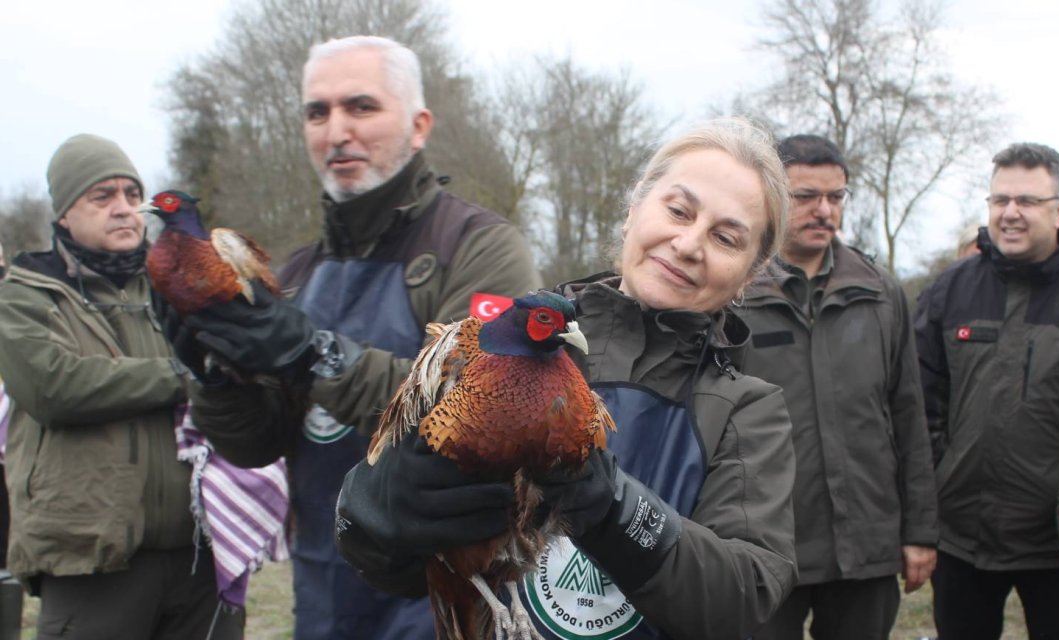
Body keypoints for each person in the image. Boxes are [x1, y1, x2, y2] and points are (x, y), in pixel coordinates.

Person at [329, 117, 798, 639]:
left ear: (750, 274)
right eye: (678, 210)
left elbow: (747, 599)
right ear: (633, 209)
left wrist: (614, 509)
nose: (688, 244)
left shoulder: (746, 409)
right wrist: (380, 507)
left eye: (726, 237)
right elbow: (381, 561)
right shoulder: (487, 347)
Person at [168, 35, 543, 640]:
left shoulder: (479, 247)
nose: (336, 129)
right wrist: (213, 374)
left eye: (360, 107)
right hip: (326, 591)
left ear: (419, 125)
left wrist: (313, 353)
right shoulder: (292, 274)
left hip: (446, 594)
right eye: (317, 112)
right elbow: (257, 443)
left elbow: (472, 413)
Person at [0, 134, 240, 639]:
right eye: (102, 196)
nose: (124, 209)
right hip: (90, 564)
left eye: (132, 195)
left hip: (201, 555)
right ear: (65, 212)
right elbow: (55, 387)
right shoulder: (25, 295)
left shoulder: (182, 286)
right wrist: (185, 375)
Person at [736, 134, 936, 640]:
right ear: (772, 196)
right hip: (763, 547)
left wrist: (919, 533)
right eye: (806, 196)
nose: (824, 210)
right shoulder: (733, 293)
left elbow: (910, 417)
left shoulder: (880, 292)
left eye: (836, 197)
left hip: (863, 548)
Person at [914, 142, 1059, 640]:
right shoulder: (951, 288)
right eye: (1000, 200)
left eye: (1027, 201)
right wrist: (943, 476)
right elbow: (920, 399)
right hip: (963, 535)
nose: (1011, 213)